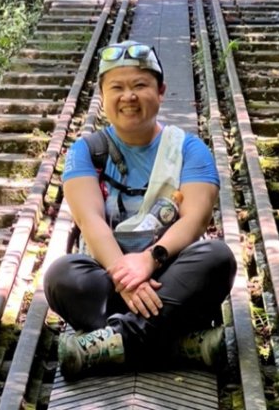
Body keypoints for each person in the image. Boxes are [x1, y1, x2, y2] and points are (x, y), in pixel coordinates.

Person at [44, 40, 236, 380]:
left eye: (140, 86)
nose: (128, 96)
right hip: (112, 281)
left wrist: (150, 260)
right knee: (62, 275)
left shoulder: (189, 149)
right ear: (102, 98)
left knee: (217, 257)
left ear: (160, 91)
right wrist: (125, 277)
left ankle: (113, 342)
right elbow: (90, 222)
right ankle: (178, 344)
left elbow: (194, 219)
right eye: (116, 87)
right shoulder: (86, 152)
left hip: (171, 277)